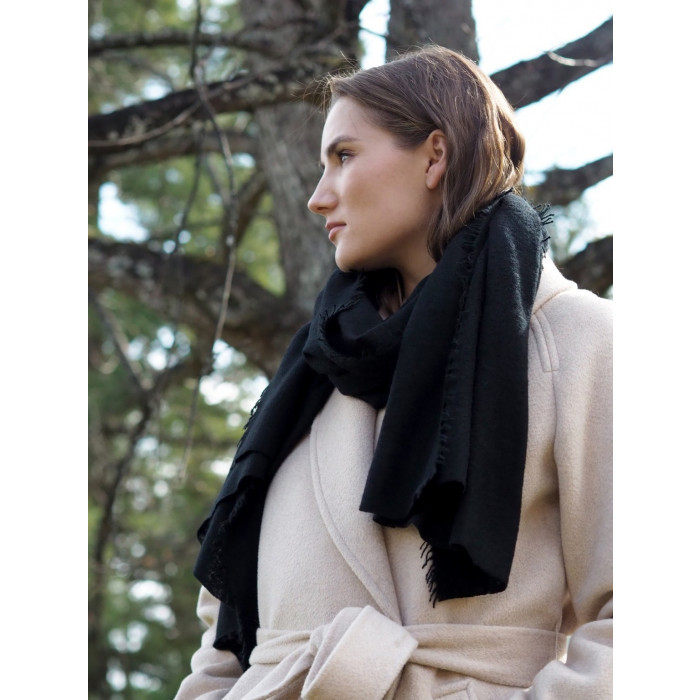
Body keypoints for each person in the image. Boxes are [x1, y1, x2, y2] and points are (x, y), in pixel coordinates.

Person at [175, 45, 612, 699]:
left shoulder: (580, 340)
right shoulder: (314, 370)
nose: (317, 198)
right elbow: (227, 628)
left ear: (434, 156)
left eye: (344, 156)